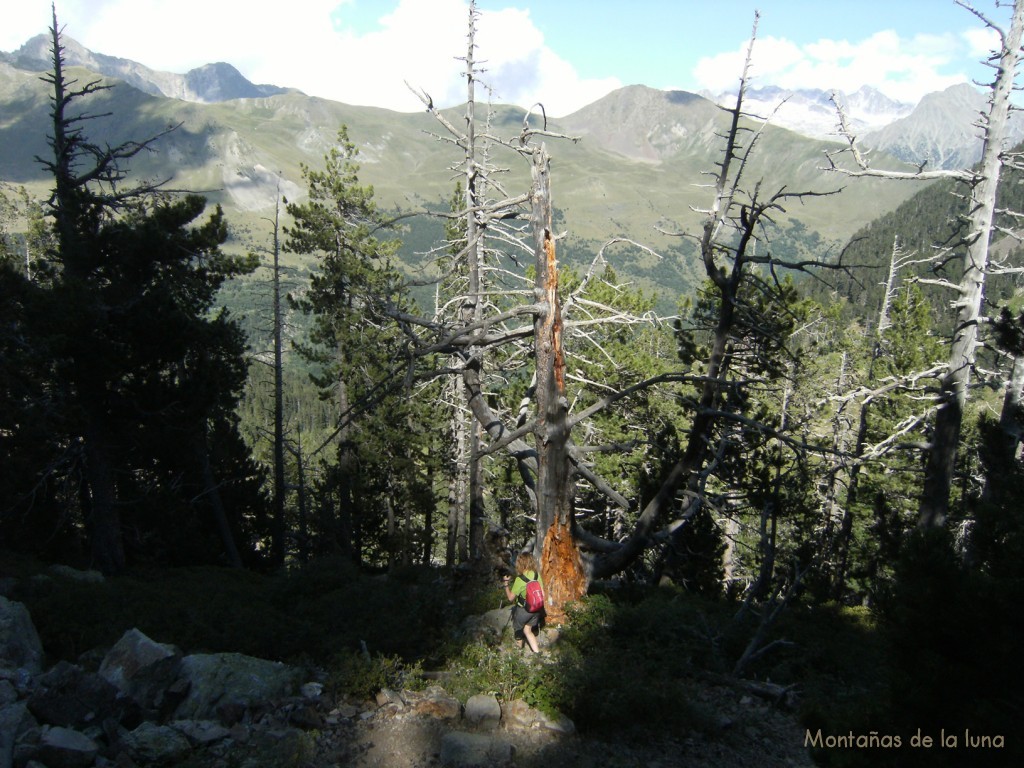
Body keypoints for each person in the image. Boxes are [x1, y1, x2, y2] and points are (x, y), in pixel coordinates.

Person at [503, 551, 543, 654]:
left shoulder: (520, 579)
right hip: (536, 609)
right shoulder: (536, 575)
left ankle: (518, 654)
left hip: (523, 611)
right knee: (528, 630)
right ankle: (537, 653)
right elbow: (542, 592)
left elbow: (510, 598)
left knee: (518, 633)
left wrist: (506, 584)